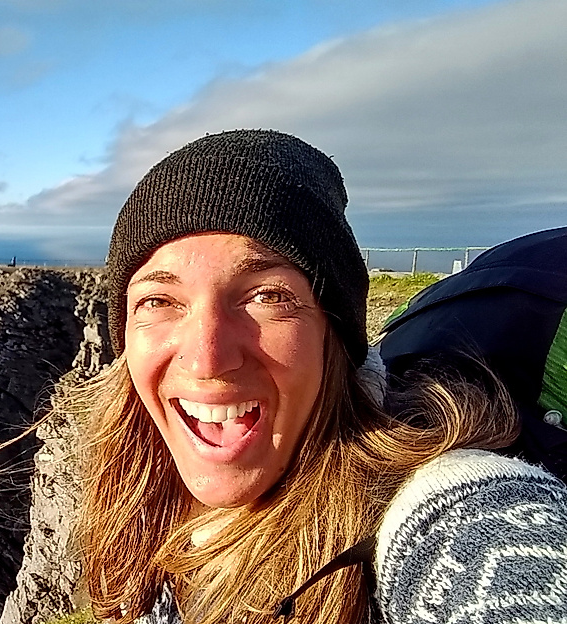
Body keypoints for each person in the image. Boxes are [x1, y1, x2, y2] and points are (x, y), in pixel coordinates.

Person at [67, 130, 567, 624]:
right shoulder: (143, 495)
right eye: (159, 300)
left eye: (267, 296)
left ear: (336, 333)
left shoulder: (459, 524)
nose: (206, 360)